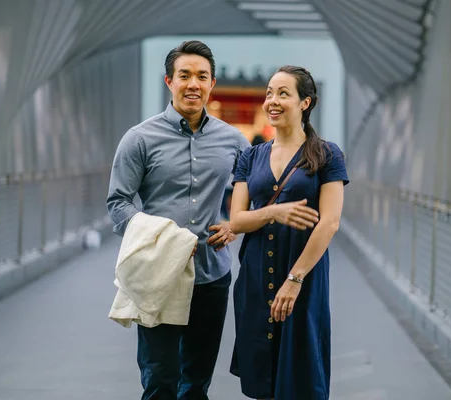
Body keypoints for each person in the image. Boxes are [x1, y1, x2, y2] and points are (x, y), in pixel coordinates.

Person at [107, 40, 250, 400]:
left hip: (212, 274)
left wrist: (234, 224)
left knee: (197, 383)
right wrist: (163, 240)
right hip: (158, 274)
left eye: (202, 76)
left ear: (212, 84)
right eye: (184, 75)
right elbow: (118, 203)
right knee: (159, 381)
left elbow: (255, 198)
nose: (193, 84)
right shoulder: (139, 139)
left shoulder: (234, 142)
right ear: (169, 81)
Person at [229, 66, 349, 400]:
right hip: (254, 276)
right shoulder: (251, 156)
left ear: (305, 102)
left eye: (284, 93)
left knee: (301, 372)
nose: (273, 100)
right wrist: (273, 212)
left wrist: (294, 280)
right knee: (263, 376)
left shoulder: (326, 154)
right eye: (269, 92)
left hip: (303, 276)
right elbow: (237, 220)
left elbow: (330, 222)